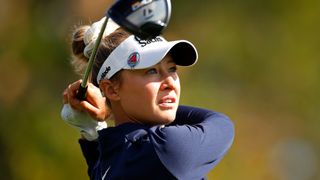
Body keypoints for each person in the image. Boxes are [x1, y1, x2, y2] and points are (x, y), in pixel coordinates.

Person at [61, 18, 235, 180]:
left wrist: (92, 130)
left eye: (172, 69)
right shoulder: (165, 148)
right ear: (111, 89)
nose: (170, 82)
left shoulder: (116, 153)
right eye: (151, 71)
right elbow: (222, 124)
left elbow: (99, 167)